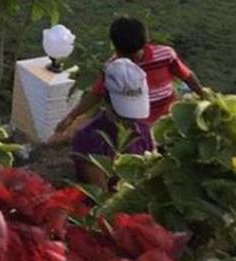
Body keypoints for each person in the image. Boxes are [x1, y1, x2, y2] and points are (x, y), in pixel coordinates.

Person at [54, 16, 203, 130]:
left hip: (167, 119)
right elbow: (96, 94)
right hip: (136, 126)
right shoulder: (112, 68)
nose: (130, 61)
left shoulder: (166, 56)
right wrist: (72, 116)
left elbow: (187, 76)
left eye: (133, 55)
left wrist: (202, 94)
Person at [57, 57, 155, 190]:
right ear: (107, 100)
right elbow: (102, 196)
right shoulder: (89, 138)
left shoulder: (144, 131)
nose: (129, 119)